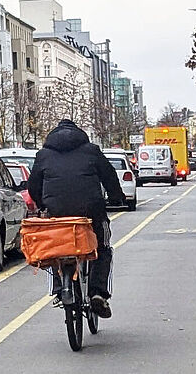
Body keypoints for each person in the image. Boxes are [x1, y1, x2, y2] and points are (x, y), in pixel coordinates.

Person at [28, 119, 125, 319]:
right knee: (103, 248)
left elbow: (33, 186)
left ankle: (58, 289)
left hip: (57, 212)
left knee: (54, 248)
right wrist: (117, 198)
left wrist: (43, 205)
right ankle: (98, 292)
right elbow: (109, 177)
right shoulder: (92, 151)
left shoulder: (43, 155)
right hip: (91, 211)